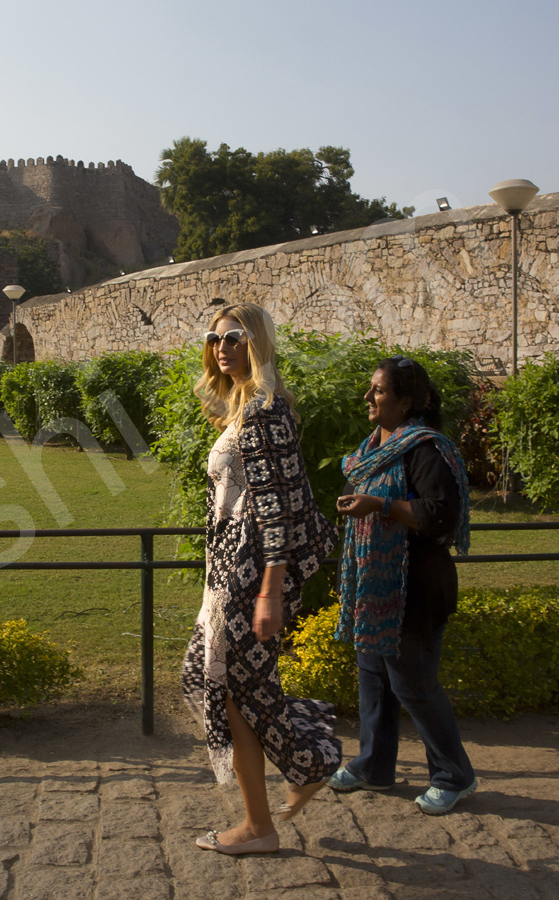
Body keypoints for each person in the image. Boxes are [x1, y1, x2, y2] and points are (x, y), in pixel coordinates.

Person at [181, 302, 341, 855]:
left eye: (235, 338)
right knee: (219, 683)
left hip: (251, 576)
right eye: (215, 338)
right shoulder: (244, 410)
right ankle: (291, 781)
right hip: (228, 571)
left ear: (259, 343)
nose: (222, 347)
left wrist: (271, 590)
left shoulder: (266, 412)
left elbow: (278, 510)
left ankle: (296, 775)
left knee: (223, 683)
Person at [331, 355, 477, 815]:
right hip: (375, 580)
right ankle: (374, 766)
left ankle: (456, 775)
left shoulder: (425, 449)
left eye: (378, 390)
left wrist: (382, 505)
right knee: (373, 678)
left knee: (413, 684)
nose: (368, 397)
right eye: (371, 389)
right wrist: (367, 502)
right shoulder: (375, 446)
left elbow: (440, 516)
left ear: (406, 400)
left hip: (414, 585)